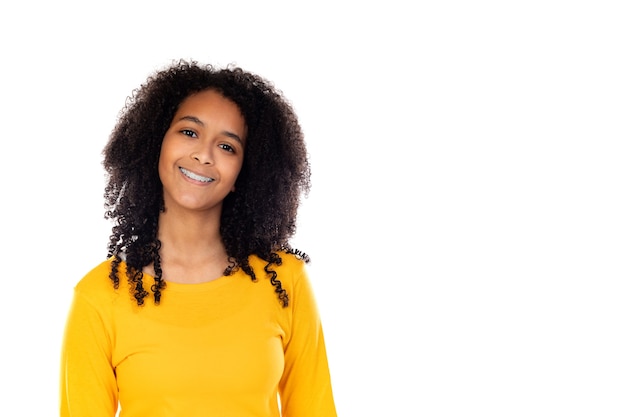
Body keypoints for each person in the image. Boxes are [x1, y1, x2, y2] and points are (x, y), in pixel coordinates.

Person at [60, 60, 337, 417]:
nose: (203, 154)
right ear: (156, 141)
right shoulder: (98, 298)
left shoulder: (285, 281)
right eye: (189, 132)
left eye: (227, 147)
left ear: (243, 173)